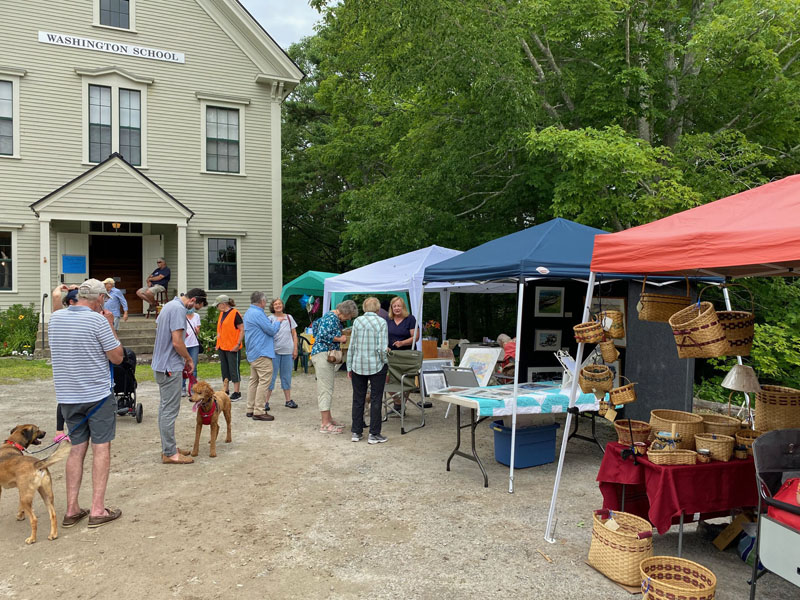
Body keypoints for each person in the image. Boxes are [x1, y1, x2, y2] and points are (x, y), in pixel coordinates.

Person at [48, 278, 124, 528]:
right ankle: (98, 509)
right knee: (101, 448)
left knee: (77, 448)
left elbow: (57, 308)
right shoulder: (98, 320)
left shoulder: (56, 319)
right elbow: (117, 358)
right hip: (97, 396)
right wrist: (111, 324)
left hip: (68, 397)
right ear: (100, 298)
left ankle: (71, 508)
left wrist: (56, 296)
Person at [152, 287, 208, 464]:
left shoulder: (169, 306)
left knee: (164, 408)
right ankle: (169, 453)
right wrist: (188, 358)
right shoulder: (178, 309)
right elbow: (177, 342)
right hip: (169, 367)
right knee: (170, 410)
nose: (194, 310)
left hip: (161, 364)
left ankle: (169, 447)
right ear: (193, 301)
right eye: (196, 307)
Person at [310, 299, 359, 434]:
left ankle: (329, 419)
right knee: (325, 389)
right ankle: (325, 424)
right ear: (346, 312)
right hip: (323, 355)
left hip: (321, 354)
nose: (349, 318)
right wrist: (340, 339)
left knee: (327, 387)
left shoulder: (330, 316)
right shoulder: (332, 318)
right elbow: (321, 335)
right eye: (350, 316)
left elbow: (315, 327)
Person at [348, 297, 389, 444]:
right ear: (378, 309)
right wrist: (386, 362)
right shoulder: (382, 322)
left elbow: (351, 345)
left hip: (358, 364)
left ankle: (356, 432)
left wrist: (349, 365)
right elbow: (382, 347)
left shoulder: (357, 321)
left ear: (364, 308)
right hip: (376, 365)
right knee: (376, 399)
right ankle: (374, 434)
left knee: (358, 398)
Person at [242, 291, 281, 421]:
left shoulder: (248, 312)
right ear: (262, 301)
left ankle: (250, 408)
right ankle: (259, 411)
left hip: (253, 352)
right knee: (264, 381)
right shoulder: (258, 314)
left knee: (254, 381)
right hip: (262, 352)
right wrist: (278, 322)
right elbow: (271, 331)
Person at [50, 284, 80, 441]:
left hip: (68, 360)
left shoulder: (59, 317)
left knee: (66, 396)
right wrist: (61, 288)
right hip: (70, 360)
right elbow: (56, 297)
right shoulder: (60, 316)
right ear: (71, 302)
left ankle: (60, 431)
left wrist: (63, 288)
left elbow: (56, 296)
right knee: (66, 397)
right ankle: (59, 431)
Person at [385, 295, 418, 413]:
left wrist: (403, 343)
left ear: (403, 307)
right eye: (394, 306)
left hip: (406, 355)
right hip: (391, 355)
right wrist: (385, 346)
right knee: (387, 379)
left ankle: (400, 406)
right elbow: (383, 336)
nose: (397, 308)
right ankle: (397, 402)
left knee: (405, 381)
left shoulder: (410, 319)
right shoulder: (387, 320)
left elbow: (416, 337)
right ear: (391, 308)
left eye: (399, 306)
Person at [265, 298, 298, 409]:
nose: (278, 305)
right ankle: (265, 402)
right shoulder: (270, 319)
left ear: (282, 305)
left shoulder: (289, 318)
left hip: (288, 351)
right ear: (272, 307)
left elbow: (294, 334)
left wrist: (295, 349)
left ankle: (288, 400)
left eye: (279, 304)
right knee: (271, 377)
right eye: (275, 304)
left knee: (286, 376)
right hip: (274, 352)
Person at [213, 295, 244, 400]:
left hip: (232, 347)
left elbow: (242, 330)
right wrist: (218, 343)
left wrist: (237, 344)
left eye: (217, 305)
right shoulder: (222, 314)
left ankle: (237, 392)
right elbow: (221, 330)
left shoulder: (235, 313)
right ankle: (225, 390)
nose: (217, 307)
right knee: (224, 369)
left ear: (223, 304)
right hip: (222, 346)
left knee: (234, 370)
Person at [183, 305, 202, 397]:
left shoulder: (197, 316)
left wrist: (197, 330)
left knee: (193, 367)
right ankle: (182, 387)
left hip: (194, 344)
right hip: (183, 345)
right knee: (183, 367)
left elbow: (198, 328)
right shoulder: (182, 315)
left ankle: (193, 387)